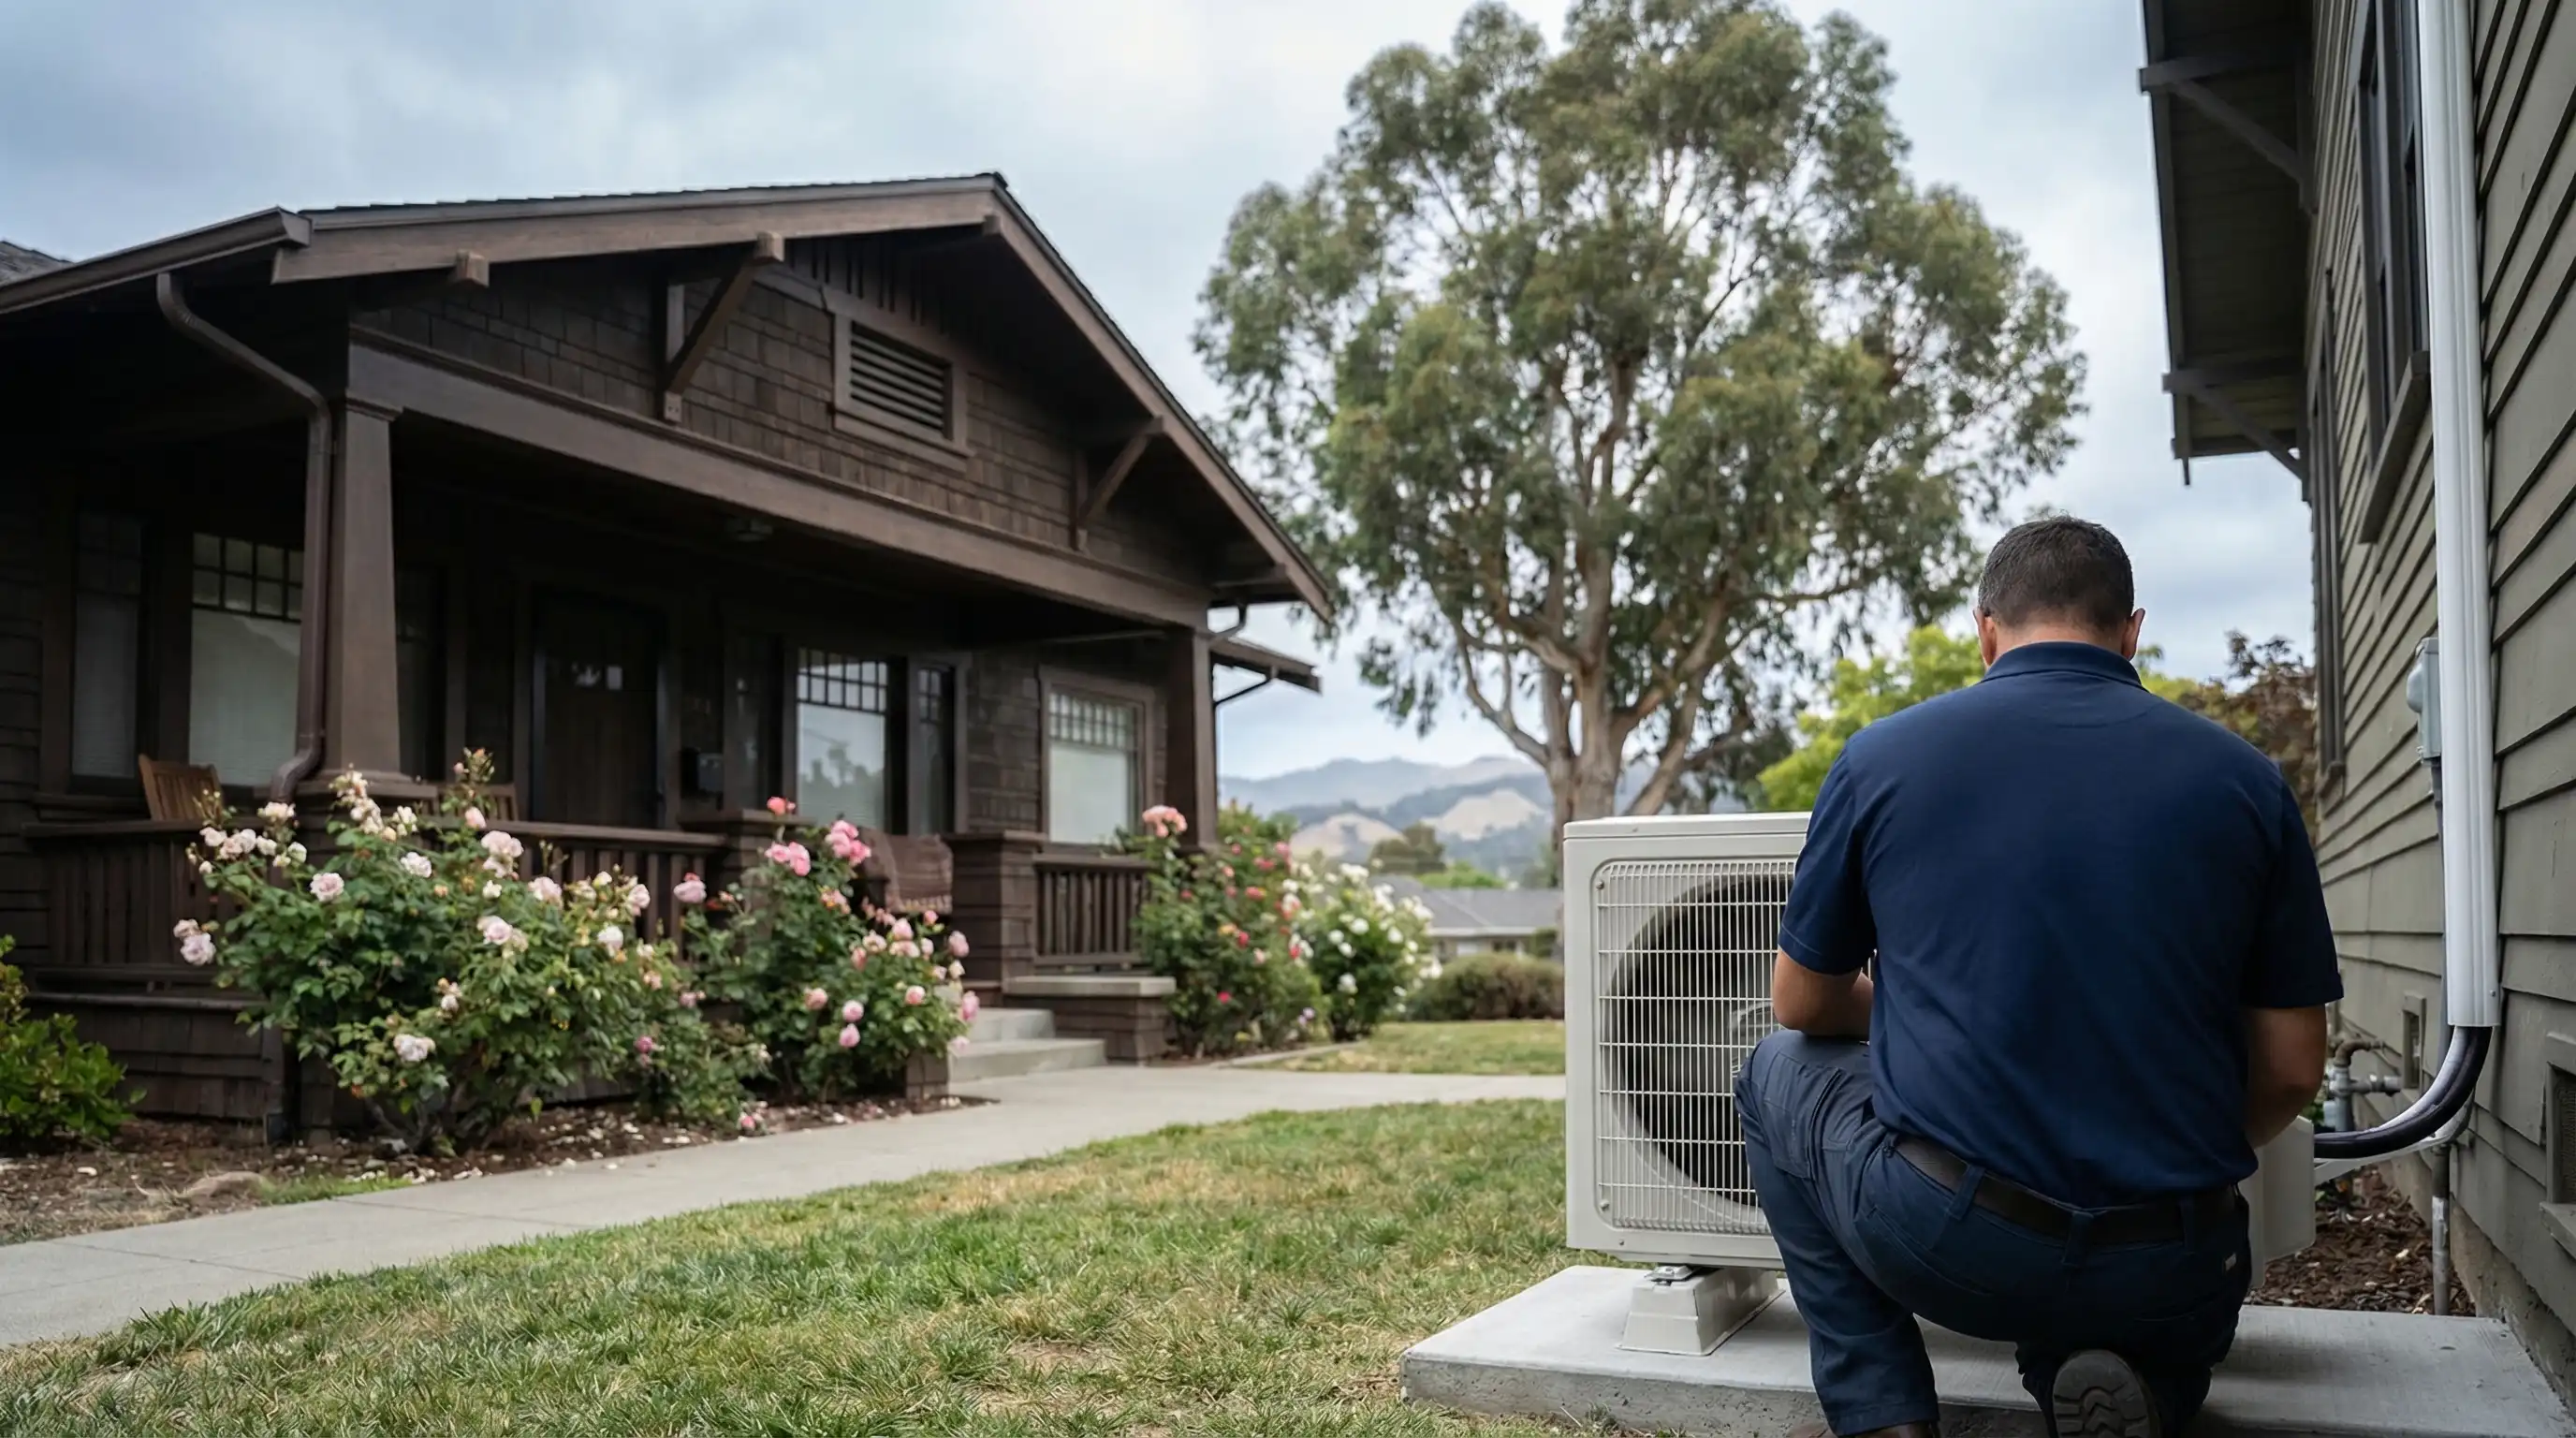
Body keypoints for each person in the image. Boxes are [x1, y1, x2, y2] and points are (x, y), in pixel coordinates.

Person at [1736, 517, 2337, 1438]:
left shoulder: (1882, 759)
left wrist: (1922, 1017)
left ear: (1984, 629)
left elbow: (1802, 1003)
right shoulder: (2246, 782)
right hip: (2177, 1255)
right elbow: (2295, 1069)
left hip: (1952, 1240)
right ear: (2132, 631)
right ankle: (2137, 1379)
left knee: (1772, 1069)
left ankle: (1883, 1413)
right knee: (2154, 1317)